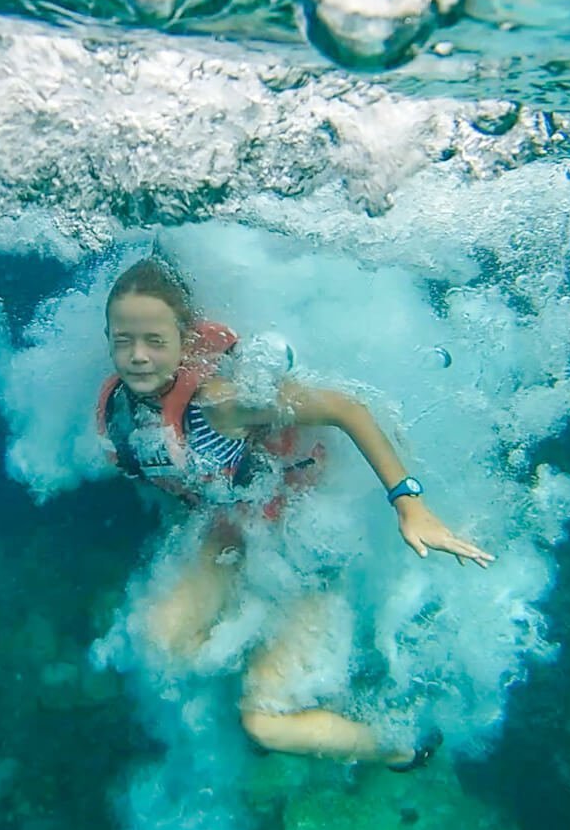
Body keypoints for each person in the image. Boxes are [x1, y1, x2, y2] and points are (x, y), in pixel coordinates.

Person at [97, 258, 494, 770]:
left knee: (265, 725)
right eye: (123, 340)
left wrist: (410, 504)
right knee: (159, 642)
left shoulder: (221, 402)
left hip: (309, 547)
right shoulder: (122, 410)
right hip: (234, 533)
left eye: (154, 340)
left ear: (186, 341)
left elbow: (346, 409)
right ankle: (261, 643)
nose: (138, 356)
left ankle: (398, 748)